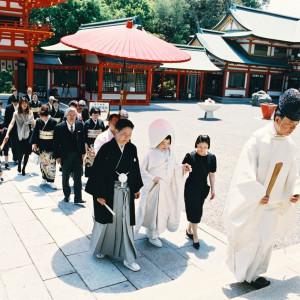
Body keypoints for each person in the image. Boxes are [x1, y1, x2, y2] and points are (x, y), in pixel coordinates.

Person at [223, 88, 300, 290]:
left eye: (296, 125)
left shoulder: (290, 145)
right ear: (277, 119)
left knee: (266, 242)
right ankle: (242, 272)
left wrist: (293, 192)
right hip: (254, 203)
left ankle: (256, 274)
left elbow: (293, 172)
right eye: (290, 124)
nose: (293, 128)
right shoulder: (257, 139)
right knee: (249, 238)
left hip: (273, 204)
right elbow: (244, 171)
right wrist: (257, 194)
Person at [85, 119, 143, 272]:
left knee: (125, 222)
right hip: (108, 191)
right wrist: (99, 194)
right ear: (116, 131)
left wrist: (136, 187)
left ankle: (128, 257)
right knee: (106, 221)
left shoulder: (132, 148)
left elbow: (135, 169)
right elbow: (98, 172)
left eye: (130, 135)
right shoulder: (106, 148)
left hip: (126, 192)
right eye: (124, 134)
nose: (127, 137)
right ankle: (103, 248)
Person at [135, 119, 191, 248]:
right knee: (153, 211)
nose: (165, 145)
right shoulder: (151, 153)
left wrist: (183, 167)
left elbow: (174, 167)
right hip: (154, 187)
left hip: (165, 188)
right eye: (162, 143)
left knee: (162, 211)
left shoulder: (171, 153)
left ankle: (155, 233)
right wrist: (153, 178)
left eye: (167, 142)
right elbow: (142, 170)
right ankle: (152, 234)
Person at [182, 135, 216, 249]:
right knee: (193, 210)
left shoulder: (212, 157)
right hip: (191, 187)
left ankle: (189, 228)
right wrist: (184, 169)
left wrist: (213, 189)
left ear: (208, 146)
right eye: (200, 146)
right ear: (196, 144)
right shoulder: (190, 156)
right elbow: (182, 169)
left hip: (202, 188)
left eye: (205, 147)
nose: (202, 149)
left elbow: (211, 174)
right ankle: (195, 236)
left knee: (197, 211)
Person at [53, 107, 86, 204]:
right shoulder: (59, 127)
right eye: (70, 115)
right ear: (66, 116)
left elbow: (82, 140)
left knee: (78, 176)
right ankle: (66, 195)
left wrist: (83, 154)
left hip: (77, 155)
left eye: (74, 115)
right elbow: (55, 143)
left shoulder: (80, 125)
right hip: (65, 155)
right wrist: (58, 157)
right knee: (65, 176)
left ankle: (78, 197)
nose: (72, 117)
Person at [4, 97, 35, 176]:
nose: (24, 105)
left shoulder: (30, 112)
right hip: (20, 135)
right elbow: (11, 123)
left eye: (26, 103)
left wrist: (34, 125)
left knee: (27, 153)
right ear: (20, 104)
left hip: (28, 134)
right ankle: (19, 164)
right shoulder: (16, 113)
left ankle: (24, 168)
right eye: (23, 103)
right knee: (21, 152)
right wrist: (7, 133)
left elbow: (33, 124)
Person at [30, 105, 57, 189]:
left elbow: (56, 136)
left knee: (51, 162)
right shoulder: (38, 121)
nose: (41, 118)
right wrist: (35, 144)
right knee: (43, 162)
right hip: (42, 143)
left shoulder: (53, 122)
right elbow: (35, 133)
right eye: (40, 117)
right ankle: (44, 178)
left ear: (47, 115)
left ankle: (51, 180)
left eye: (42, 117)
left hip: (51, 144)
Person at [83, 107, 105, 177]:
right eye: (94, 114)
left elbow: (104, 132)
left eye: (97, 115)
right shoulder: (87, 123)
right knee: (90, 159)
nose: (95, 116)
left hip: (99, 143)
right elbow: (84, 134)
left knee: (99, 159)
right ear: (91, 115)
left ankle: (98, 174)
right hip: (90, 143)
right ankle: (89, 175)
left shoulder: (101, 122)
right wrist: (85, 143)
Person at [4, 96, 20, 164]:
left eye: (16, 102)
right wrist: (6, 128)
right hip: (12, 129)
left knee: (19, 143)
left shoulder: (21, 107)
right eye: (14, 103)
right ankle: (15, 158)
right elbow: (6, 119)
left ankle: (18, 156)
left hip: (20, 128)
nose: (15, 104)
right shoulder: (8, 107)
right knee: (14, 144)